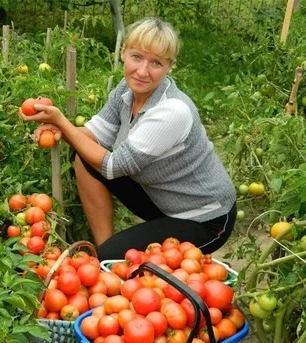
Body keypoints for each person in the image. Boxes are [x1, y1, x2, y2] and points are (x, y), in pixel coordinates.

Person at [20, 17, 237, 261]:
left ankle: (107, 257)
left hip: (204, 218)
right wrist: (55, 127)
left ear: (170, 66)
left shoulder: (172, 111)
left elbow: (113, 168)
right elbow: (94, 134)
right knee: (82, 155)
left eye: (156, 63)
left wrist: (62, 124)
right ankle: (106, 253)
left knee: (117, 254)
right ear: (123, 53)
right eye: (137, 57)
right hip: (160, 197)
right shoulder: (126, 90)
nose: (142, 71)